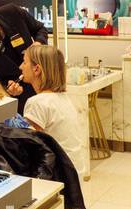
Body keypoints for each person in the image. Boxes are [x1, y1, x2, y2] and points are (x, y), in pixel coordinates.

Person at [19, 43, 88, 179]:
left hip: (59, 174)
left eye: (24, 62)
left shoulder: (37, 103)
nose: (20, 67)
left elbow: (29, 148)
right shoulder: (63, 98)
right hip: (74, 170)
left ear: (36, 69)